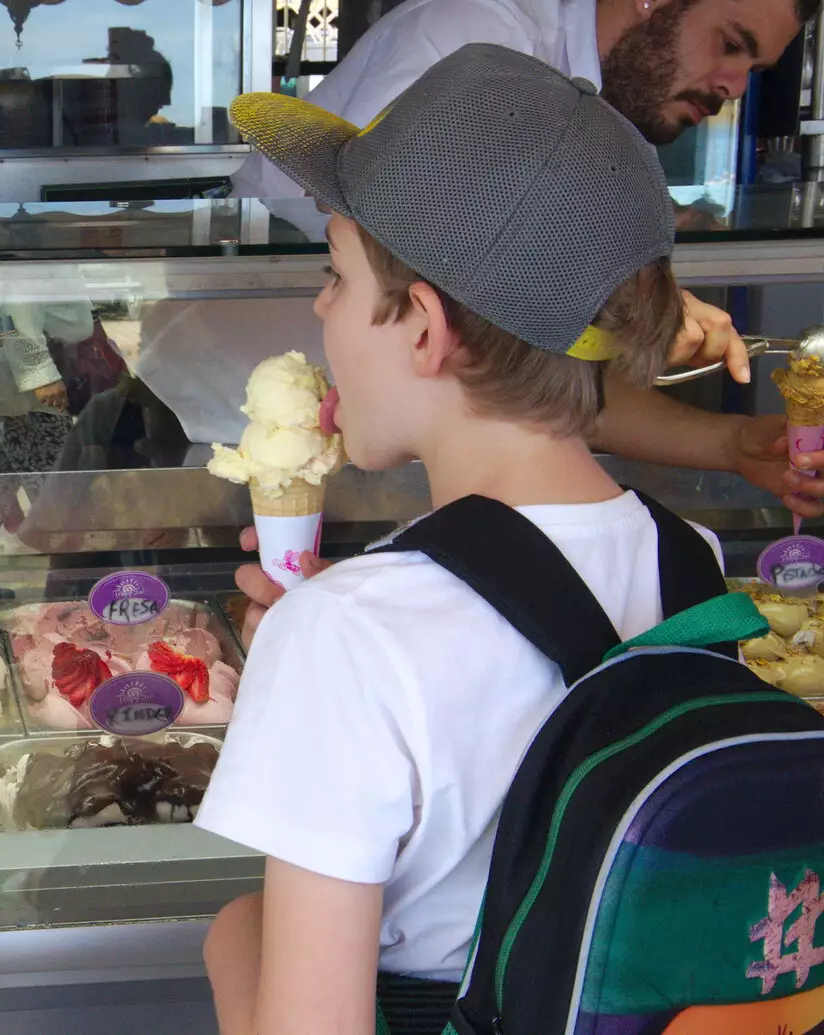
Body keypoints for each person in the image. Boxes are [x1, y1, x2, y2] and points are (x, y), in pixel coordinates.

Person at [198, 46, 718, 1034]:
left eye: (334, 275)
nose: (319, 309)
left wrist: (235, 940)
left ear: (425, 330)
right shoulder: (690, 561)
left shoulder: (349, 633)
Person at [233, 0, 824, 513]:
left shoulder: (577, 123)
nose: (736, 87)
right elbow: (495, 339)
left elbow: (527, 379)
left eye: (754, 67)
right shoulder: (476, 39)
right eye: (729, 44)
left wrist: (729, 443)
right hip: (243, 406)